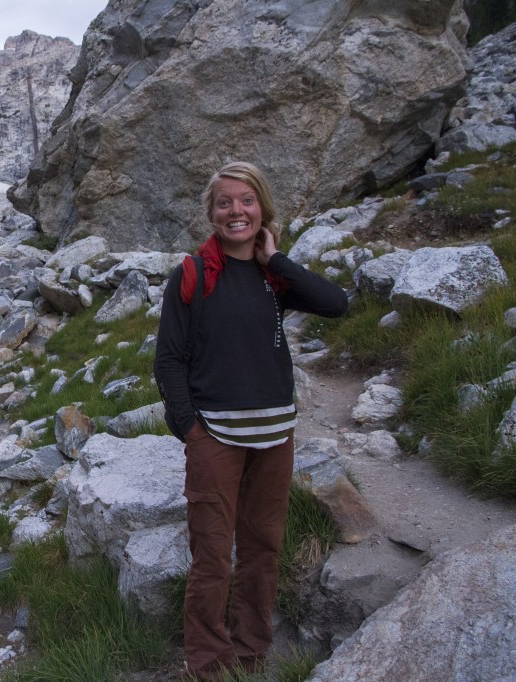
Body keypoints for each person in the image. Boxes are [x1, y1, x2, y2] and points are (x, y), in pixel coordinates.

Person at [153, 161, 348, 680]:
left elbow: (337, 304)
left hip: (276, 436)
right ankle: (208, 663)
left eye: (246, 201)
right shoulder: (193, 273)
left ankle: (250, 652)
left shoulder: (273, 275)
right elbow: (168, 359)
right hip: (215, 435)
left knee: (263, 548)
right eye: (224, 203)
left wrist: (278, 257)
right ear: (211, 212)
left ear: (261, 207)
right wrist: (189, 428)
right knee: (213, 556)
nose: (235, 211)